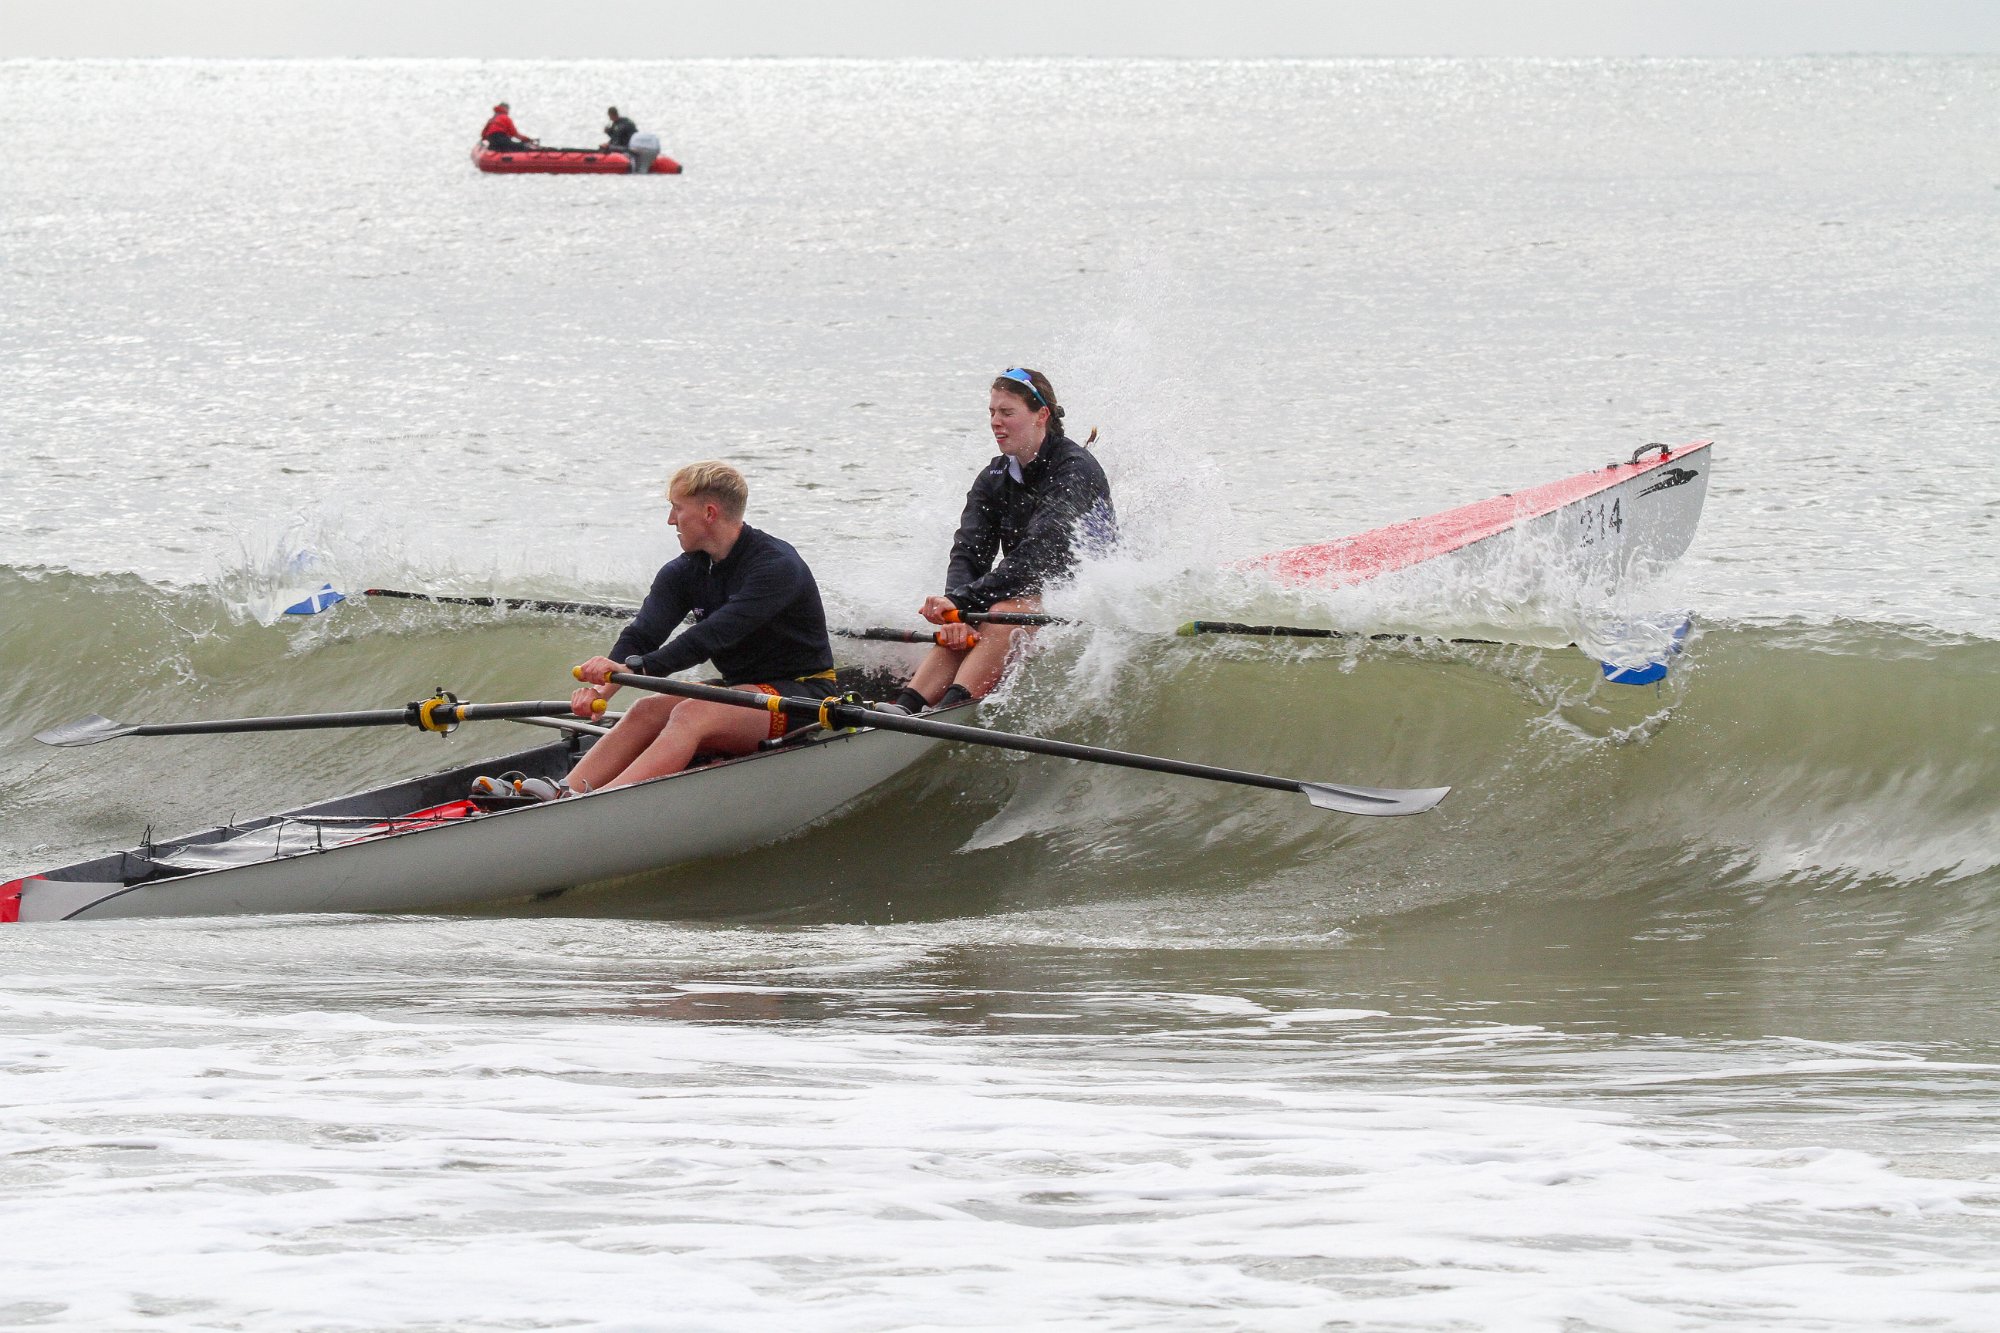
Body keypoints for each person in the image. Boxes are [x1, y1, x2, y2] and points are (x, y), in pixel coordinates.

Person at [471, 462, 836, 801]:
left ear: (709, 513)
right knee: (646, 709)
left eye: (678, 508)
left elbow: (710, 636)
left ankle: (599, 803)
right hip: (743, 691)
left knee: (690, 714)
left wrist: (639, 670)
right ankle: (566, 790)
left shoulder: (775, 566)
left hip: (803, 696)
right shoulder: (682, 573)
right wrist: (603, 687)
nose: (669, 520)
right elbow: (642, 636)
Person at [891, 368, 1115, 713]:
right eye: (992, 412)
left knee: (999, 612)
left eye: (1007, 412)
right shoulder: (995, 475)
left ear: (1041, 415)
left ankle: (950, 711)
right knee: (980, 614)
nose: (996, 422)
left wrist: (963, 600)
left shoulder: (1074, 470)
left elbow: (1039, 556)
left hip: (1089, 597)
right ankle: (903, 708)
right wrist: (959, 613)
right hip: (1029, 591)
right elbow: (968, 551)